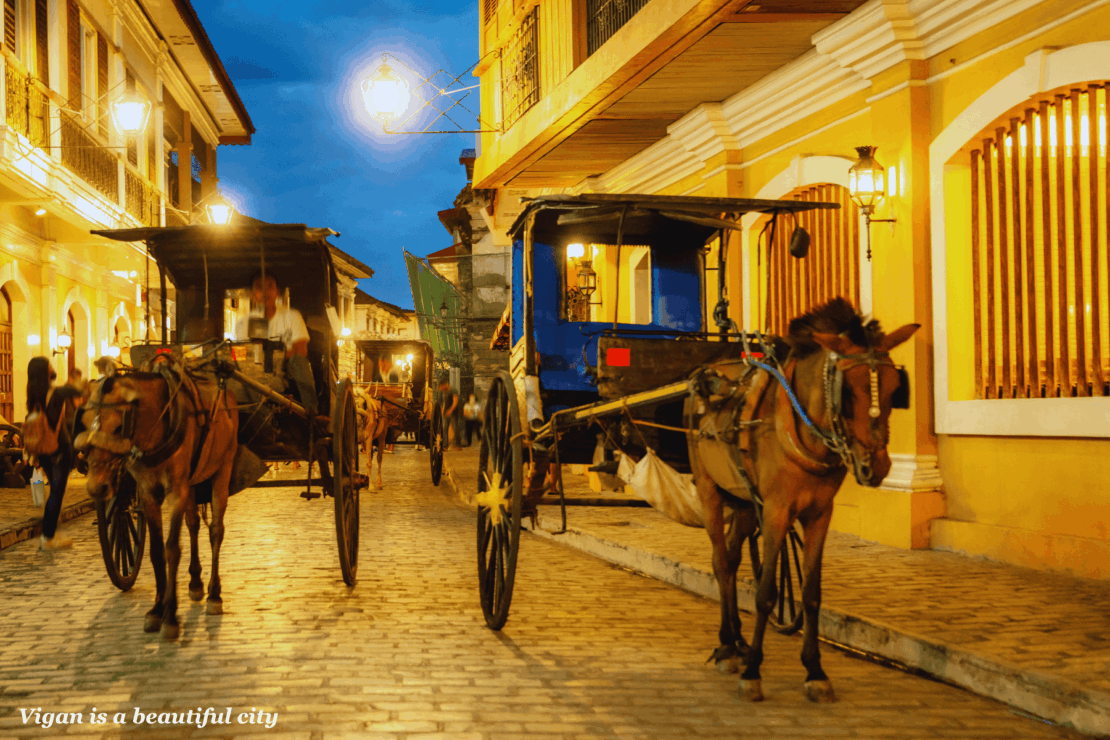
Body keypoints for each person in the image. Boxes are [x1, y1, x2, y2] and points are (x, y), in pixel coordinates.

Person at [235, 273, 318, 415]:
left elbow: (301, 349)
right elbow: (240, 354)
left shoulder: (292, 316)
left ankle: (311, 411)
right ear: (253, 294)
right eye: (260, 288)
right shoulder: (243, 322)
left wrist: (273, 356)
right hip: (254, 371)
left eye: (270, 287)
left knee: (299, 362)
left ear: (277, 292)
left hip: (286, 370)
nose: (265, 292)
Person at [27, 358, 82, 550]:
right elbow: (80, 391)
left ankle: (50, 529)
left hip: (43, 452)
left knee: (55, 493)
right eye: (49, 364)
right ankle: (48, 537)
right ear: (45, 371)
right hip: (60, 449)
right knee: (57, 494)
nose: (52, 366)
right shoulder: (58, 392)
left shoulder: (32, 397)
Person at [440, 380, 461, 451]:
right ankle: (445, 446)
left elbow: (455, 402)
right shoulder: (445, 391)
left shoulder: (453, 390)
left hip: (453, 413)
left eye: (441, 387)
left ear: (445, 384)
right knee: (444, 429)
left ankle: (458, 445)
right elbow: (445, 402)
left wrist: (450, 410)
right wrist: (442, 410)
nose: (441, 389)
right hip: (446, 413)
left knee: (455, 428)